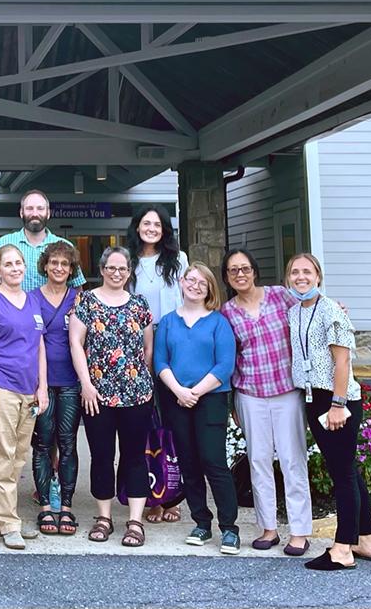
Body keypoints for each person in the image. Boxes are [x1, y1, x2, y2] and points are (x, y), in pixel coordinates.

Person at [285, 252, 371, 571]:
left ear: (318, 276)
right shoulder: (295, 312)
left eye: (307, 272)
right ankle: (366, 539)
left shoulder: (330, 311)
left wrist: (338, 404)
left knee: (341, 474)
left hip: (336, 401)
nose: (301, 277)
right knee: (347, 469)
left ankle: (342, 549)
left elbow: (342, 361)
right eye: (295, 272)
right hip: (314, 399)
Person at [220, 248, 313, 556]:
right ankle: (268, 528)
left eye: (244, 268)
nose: (240, 274)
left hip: (286, 392)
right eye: (233, 271)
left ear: (255, 271)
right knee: (258, 461)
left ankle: (299, 531)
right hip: (250, 394)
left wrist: (334, 308)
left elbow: (310, 309)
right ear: (227, 278)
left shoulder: (280, 296)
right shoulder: (227, 313)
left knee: (292, 460)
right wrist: (232, 400)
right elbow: (229, 357)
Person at [69, 246, 155, 548]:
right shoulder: (87, 301)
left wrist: (137, 382)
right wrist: (87, 383)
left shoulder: (140, 304)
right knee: (102, 456)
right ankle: (104, 517)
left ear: (129, 272)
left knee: (134, 458)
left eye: (122, 268)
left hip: (136, 396)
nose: (117, 273)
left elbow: (147, 350)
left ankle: (134, 521)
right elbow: (76, 344)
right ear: (102, 269)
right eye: (111, 268)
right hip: (97, 395)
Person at [153, 261, 240, 555]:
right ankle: (201, 522)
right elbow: (160, 362)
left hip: (211, 399)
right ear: (181, 281)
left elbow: (225, 365)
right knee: (188, 463)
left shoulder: (218, 322)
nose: (195, 285)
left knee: (213, 462)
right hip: (176, 399)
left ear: (209, 289)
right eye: (190, 279)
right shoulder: (167, 322)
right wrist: (179, 390)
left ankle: (229, 528)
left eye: (202, 282)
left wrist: (196, 392)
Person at [0, 244, 49, 550]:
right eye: (8, 264)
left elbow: (40, 346)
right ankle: (9, 524)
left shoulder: (32, 301)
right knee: (2, 453)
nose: (15, 268)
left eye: (19, 263)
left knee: (18, 455)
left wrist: (42, 387)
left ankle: (0, 519)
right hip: (0, 386)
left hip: (28, 388)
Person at [126, 203, 189, 524]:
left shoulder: (178, 260)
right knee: (148, 422)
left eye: (157, 224)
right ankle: (154, 495)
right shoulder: (129, 261)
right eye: (146, 223)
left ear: (165, 229)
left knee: (173, 419)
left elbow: (186, 301)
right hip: (139, 345)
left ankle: (174, 496)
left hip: (173, 340)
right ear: (137, 227)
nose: (151, 228)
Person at [30, 240, 83, 537]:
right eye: (54, 263)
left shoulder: (80, 299)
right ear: (45, 266)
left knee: (68, 444)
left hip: (72, 382)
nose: (59, 268)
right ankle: (44, 508)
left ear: (71, 269)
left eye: (65, 264)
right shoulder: (32, 298)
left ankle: (66, 506)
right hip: (42, 383)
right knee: (42, 443)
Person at [0, 189, 86, 293]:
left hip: (54, 311)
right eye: (29, 208)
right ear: (21, 212)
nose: (35, 213)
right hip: (12, 311)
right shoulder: (4, 243)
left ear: (48, 213)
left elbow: (77, 288)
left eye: (40, 208)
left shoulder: (65, 246)